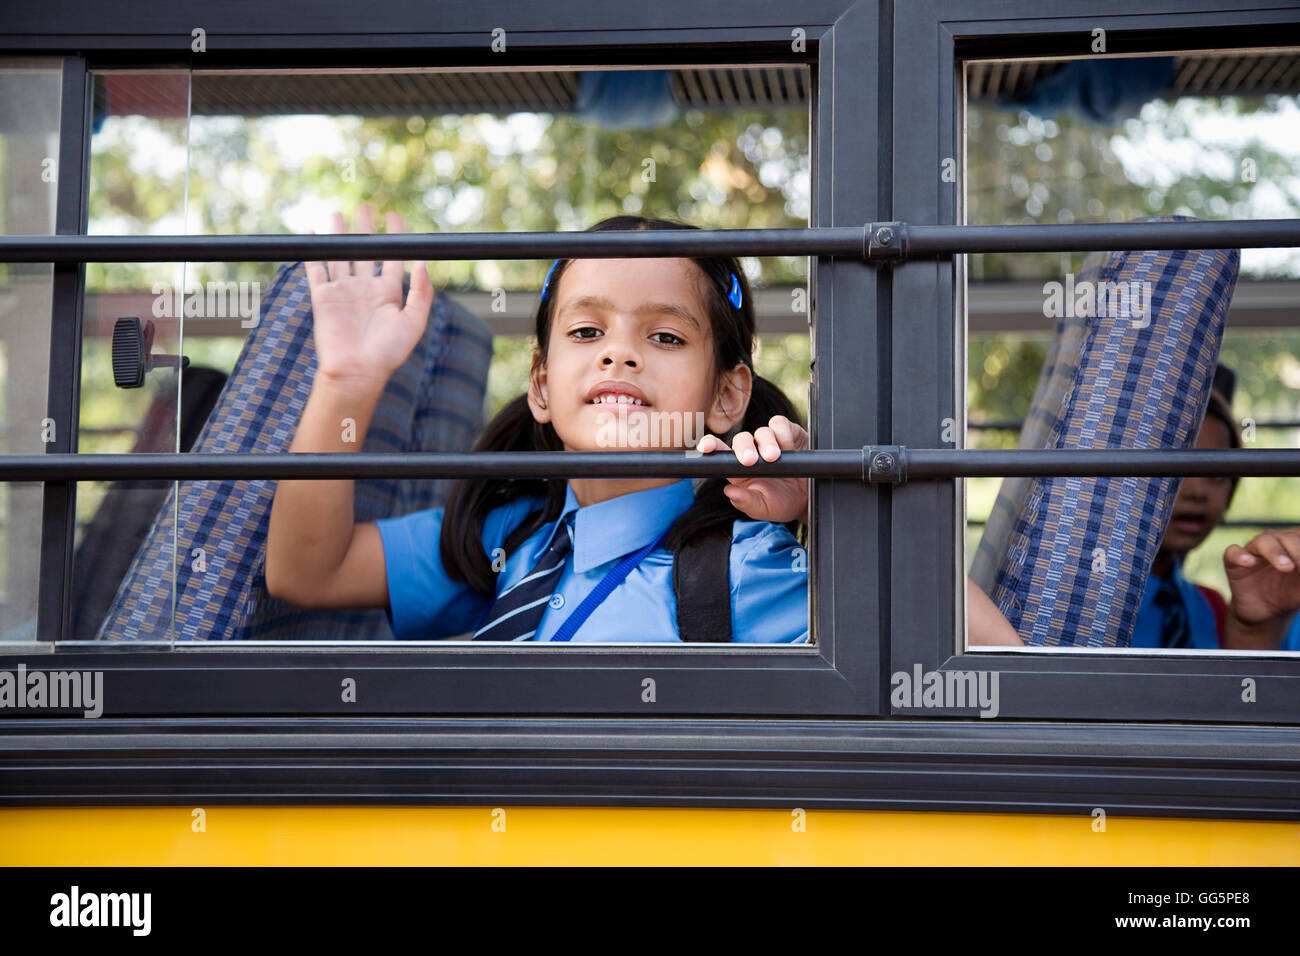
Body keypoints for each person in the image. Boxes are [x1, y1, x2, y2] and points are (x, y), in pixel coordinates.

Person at [268, 208, 816, 642]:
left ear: (726, 395)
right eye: (585, 332)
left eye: (666, 336)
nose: (619, 354)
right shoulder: (504, 536)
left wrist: (827, 513)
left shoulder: (750, 567)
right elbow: (309, 571)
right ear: (541, 384)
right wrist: (347, 381)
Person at [1131, 366, 1300, 650]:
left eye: (1217, 473)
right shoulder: (1066, 604)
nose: (1197, 492)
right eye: (1177, 470)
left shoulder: (1213, 608)